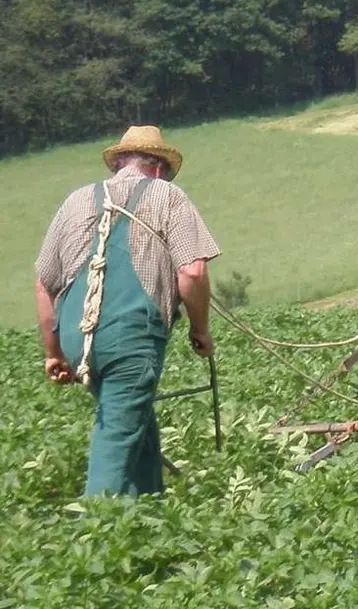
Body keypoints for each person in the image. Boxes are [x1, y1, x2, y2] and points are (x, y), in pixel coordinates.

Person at [34, 125, 221, 497]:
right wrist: (200, 329)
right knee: (117, 436)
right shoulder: (167, 196)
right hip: (129, 338)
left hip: (75, 337)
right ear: (156, 168)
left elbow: (44, 283)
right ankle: (96, 532)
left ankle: (150, 515)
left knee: (135, 421)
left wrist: (53, 353)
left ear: (119, 164)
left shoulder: (76, 201)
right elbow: (193, 270)